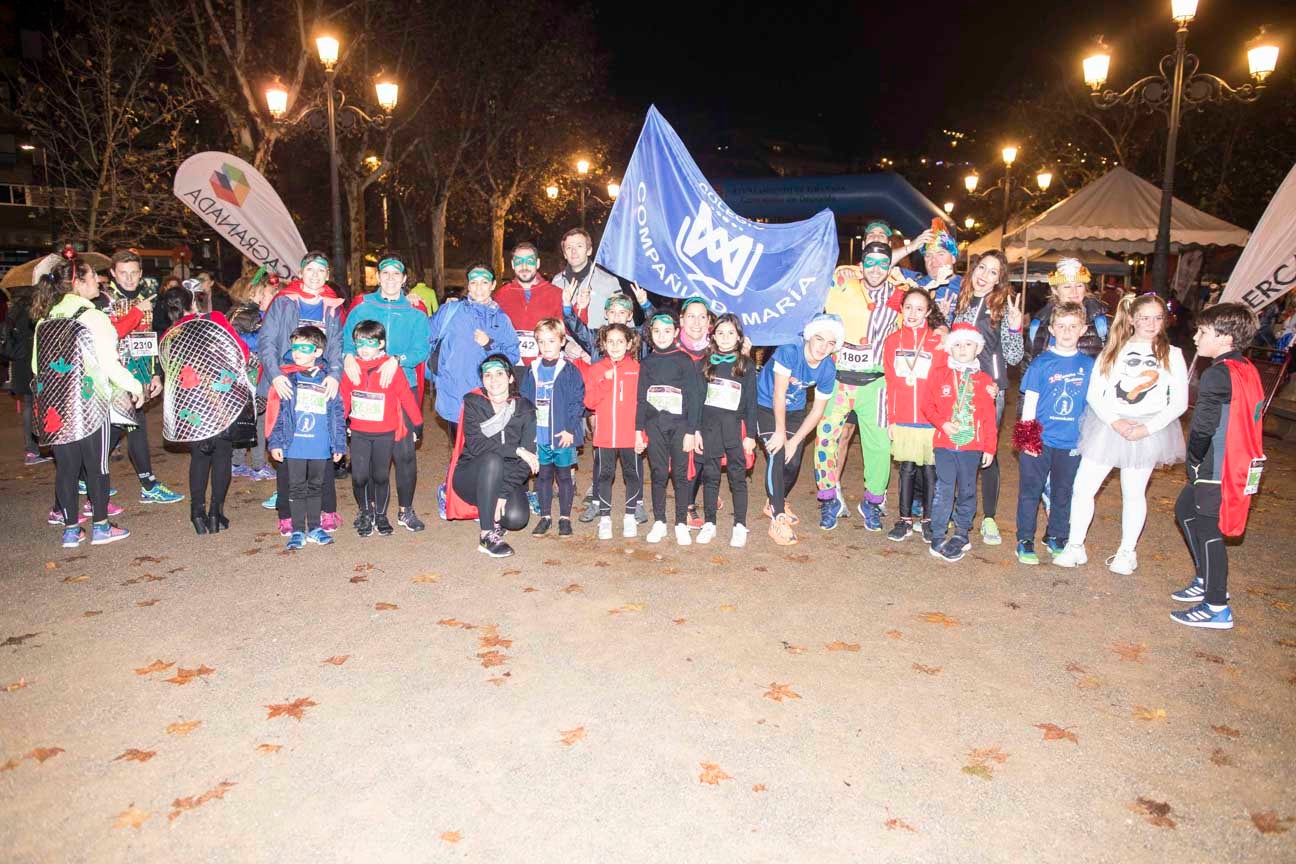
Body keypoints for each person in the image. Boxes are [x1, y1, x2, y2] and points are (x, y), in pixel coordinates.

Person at [1053, 294, 1188, 574]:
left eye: (1157, 318)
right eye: (1145, 317)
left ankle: (1127, 551)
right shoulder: (1115, 350)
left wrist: (1146, 429)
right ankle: (1075, 545)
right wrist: (1115, 422)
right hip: (1108, 427)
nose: (1151, 324)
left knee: (1134, 491)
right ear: (1132, 319)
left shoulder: (1172, 354)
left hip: (1147, 430)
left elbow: (1178, 402)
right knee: (1083, 487)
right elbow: (1095, 392)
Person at [31, 252, 143, 547]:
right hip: (91, 404)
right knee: (97, 467)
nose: (99, 280)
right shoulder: (93, 317)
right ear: (77, 282)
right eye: (93, 276)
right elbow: (110, 364)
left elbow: (35, 366)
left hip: (56, 406)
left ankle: (70, 530)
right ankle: (102, 527)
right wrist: (135, 386)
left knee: (66, 469)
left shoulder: (46, 319)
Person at [1170, 304, 1266, 629]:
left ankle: (1216, 606)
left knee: (1210, 530)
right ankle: (1205, 578)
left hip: (1218, 465)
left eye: (1203, 332)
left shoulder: (1217, 374)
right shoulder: (1245, 368)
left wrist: (1194, 460)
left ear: (1224, 337)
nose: (1196, 337)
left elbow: (1203, 426)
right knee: (1185, 509)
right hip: (1234, 460)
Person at [814, 240, 904, 531]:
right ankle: (828, 500)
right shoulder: (840, 289)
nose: (876, 269)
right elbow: (810, 294)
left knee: (878, 446)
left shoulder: (899, 297)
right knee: (825, 439)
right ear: (861, 264)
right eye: (870, 262)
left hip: (875, 385)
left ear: (890, 267)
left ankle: (872, 503)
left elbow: (923, 319)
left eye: (883, 263)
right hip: (838, 381)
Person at [342, 254, 431, 532]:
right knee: (365, 458)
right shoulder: (362, 307)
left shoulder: (416, 312)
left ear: (405, 279)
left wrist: (397, 359)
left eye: (397, 274)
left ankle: (405, 509)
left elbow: (422, 349)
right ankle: (366, 510)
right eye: (386, 273)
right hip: (365, 388)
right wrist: (347, 358)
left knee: (404, 454)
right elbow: (346, 341)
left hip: (401, 385)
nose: (391, 279)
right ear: (378, 277)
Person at [259, 252, 346, 535]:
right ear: (301, 272)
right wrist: (276, 376)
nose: (315, 275)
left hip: (318, 382)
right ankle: (287, 513)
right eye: (310, 269)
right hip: (287, 380)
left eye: (321, 270)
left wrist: (334, 375)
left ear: (327, 274)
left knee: (322, 446)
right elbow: (268, 341)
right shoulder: (284, 301)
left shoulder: (332, 305)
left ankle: (326, 511)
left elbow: (336, 345)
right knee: (287, 445)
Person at [158, 285, 252, 535]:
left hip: (192, 405)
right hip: (220, 401)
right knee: (222, 455)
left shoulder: (171, 333)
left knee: (199, 458)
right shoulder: (216, 320)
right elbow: (240, 352)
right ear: (195, 303)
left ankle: (196, 512)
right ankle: (215, 513)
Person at [949, 250, 1025, 546]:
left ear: (1000, 281)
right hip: (956, 386)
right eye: (982, 268)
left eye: (993, 272)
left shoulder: (1003, 309)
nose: (985, 275)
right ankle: (958, 509)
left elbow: (1015, 356)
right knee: (956, 444)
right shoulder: (960, 300)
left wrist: (1017, 326)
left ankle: (989, 518)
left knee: (985, 450)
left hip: (989, 389)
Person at [100, 249, 186, 506]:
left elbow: (151, 340)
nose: (128, 279)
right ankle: (88, 472)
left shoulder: (146, 298)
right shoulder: (103, 300)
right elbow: (110, 336)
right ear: (113, 273)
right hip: (113, 375)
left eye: (133, 273)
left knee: (130, 425)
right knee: (125, 425)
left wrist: (156, 374)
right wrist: (136, 312)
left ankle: (90, 471)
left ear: (140, 273)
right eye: (123, 273)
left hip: (140, 376)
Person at [564, 286, 655, 526]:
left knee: (632, 461)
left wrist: (645, 304)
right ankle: (597, 501)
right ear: (605, 315)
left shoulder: (639, 338)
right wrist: (570, 307)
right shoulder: (597, 339)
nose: (617, 316)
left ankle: (636, 504)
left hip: (630, 409)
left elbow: (653, 326)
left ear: (629, 315)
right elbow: (575, 328)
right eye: (612, 311)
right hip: (602, 405)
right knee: (601, 459)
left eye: (622, 311)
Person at [1012, 302, 1094, 564]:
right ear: (1051, 329)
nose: (1067, 331)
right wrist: (1027, 439)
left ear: (1083, 330)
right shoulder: (1041, 363)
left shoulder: (1089, 365)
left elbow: (1093, 404)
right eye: (1061, 326)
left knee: (1064, 491)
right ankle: (1025, 539)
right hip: (1041, 439)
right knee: (1030, 491)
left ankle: (1057, 535)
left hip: (1072, 440)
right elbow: (1030, 402)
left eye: (1073, 326)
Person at [755, 313, 842, 546]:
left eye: (831, 343)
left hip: (795, 409)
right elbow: (778, 394)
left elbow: (817, 411)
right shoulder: (790, 350)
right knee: (778, 451)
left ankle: (775, 500)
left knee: (793, 460)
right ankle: (777, 517)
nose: (823, 347)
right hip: (764, 403)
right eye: (820, 339)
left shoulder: (828, 369)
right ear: (810, 336)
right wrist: (781, 432)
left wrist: (795, 440)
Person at [447, 355, 538, 557]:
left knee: (516, 518)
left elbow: (528, 460)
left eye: (499, 374)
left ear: (510, 378)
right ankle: (487, 534)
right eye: (487, 375)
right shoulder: (473, 403)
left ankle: (489, 504)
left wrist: (504, 493)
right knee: (492, 459)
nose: (493, 380)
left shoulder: (525, 408)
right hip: (471, 475)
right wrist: (516, 450)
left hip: (507, 476)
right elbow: (478, 445)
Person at [341, 319, 424, 538]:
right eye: (359, 344)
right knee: (359, 476)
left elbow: (406, 396)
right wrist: (338, 426)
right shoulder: (352, 368)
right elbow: (343, 399)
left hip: (385, 433)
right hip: (359, 432)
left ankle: (380, 515)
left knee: (380, 476)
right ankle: (364, 511)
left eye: (370, 343)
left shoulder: (391, 368)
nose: (364, 349)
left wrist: (417, 423)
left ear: (381, 344)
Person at [922, 323, 998, 563]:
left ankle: (962, 533)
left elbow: (988, 417)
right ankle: (937, 533)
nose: (962, 349)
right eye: (956, 344)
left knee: (967, 490)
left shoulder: (984, 380)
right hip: (944, 443)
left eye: (968, 344)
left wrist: (989, 447)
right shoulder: (938, 373)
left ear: (977, 348)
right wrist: (942, 424)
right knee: (944, 488)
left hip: (972, 447)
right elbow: (927, 405)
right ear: (948, 348)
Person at [266, 325, 347, 550]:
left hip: (319, 445)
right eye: (294, 348)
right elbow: (277, 414)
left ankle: (315, 527)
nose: (298, 352)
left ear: (318, 352)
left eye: (304, 347)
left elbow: (337, 414)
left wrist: (338, 443)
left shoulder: (328, 380)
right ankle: (297, 530)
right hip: (295, 446)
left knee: (316, 487)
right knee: (296, 488)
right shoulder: (287, 380)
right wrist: (275, 442)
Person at [882, 287, 947, 543]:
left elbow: (944, 382)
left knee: (931, 470)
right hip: (904, 418)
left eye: (920, 309)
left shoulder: (938, 342)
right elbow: (889, 382)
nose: (913, 313)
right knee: (906, 469)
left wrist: (942, 420)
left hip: (930, 419)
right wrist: (891, 418)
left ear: (929, 312)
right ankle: (904, 519)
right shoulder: (892, 341)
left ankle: (928, 520)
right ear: (901, 309)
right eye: (908, 307)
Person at [429, 263, 521, 443]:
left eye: (484, 282)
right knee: (460, 451)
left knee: (485, 452)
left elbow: (512, 356)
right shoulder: (450, 311)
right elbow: (425, 336)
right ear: (468, 285)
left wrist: (489, 345)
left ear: (493, 285)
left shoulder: (501, 319)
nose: (479, 288)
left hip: (488, 397)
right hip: (454, 395)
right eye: (474, 283)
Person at [635, 309, 704, 546]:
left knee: (681, 476)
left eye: (667, 331)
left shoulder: (684, 360)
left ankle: (681, 524)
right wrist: (638, 431)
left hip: (680, 426)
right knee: (658, 474)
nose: (662, 336)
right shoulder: (647, 362)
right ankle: (660, 522)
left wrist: (691, 431)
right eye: (656, 331)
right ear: (649, 334)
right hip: (655, 426)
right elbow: (641, 399)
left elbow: (694, 397)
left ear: (676, 332)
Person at [519, 318, 586, 536]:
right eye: (541, 342)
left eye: (551, 341)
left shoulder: (569, 370)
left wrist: (569, 429)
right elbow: (525, 401)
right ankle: (545, 516)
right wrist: (527, 434)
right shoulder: (532, 370)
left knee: (564, 476)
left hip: (561, 434)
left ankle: (565, 518)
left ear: (562, 341)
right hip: (541, 435)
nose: (546, 346)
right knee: (543, 477)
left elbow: (577, 402)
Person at [695, 313, 756, 547]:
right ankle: (710, 522)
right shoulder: (704, 363)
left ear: (739, 337)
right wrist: (697, 430)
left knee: (737, 477)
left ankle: (739, 524)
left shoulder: (746, 365)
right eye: (720, 332)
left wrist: (751, 435)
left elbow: (751, 403)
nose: (725, 337)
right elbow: (698, 400)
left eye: (731, 333)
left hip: (735, 429)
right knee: (710, 476)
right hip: (710, 428)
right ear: (713, 335)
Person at [583, 323, 643, 540]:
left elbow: (643, 404)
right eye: (610, 341)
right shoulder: (596, 369)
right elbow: (589, 401)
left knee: (632, 474)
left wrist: (641, 434)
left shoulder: (636, 369)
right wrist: (605, 382)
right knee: (604, 475)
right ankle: (605, 518)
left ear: (628, 343)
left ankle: (629, 516)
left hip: (630, 434)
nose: (615, 346)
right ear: (603, 344)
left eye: (620, 341)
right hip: (606, 435)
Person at [495, 241, 563, 375]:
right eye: (519, 261)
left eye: (529, 261)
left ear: (537, 263)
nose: (524, 266)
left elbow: (568, 330)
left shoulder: (556, 294)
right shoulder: (501, 295)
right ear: (513, 265)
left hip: (546, 368)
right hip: (512, 368)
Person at [1026, 258, 1109, 361]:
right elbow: (1028, 364)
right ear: (1055, 290)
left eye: (1079, 285)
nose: (1074, 292)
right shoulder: (1039, 323)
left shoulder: (1102, 323)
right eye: (1067, 287)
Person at [2, 285, 49, 465]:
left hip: (20, 360)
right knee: (39, 404)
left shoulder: (14, 309)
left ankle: (32, 449)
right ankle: (37, 447)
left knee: (29, 404)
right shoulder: (34, 308)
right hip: (34, 359)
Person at [227, 303, 274, 480]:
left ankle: (236, 463)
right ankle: (258, 465)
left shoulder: (235, 314)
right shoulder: (254, 319)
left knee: (242, 422)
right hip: (255, 380)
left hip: (241, 383)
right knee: (258, 424)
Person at [551, 227, 624, 330]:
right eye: (569, 247)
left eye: (579, 246)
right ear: (564, 255)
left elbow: (624, 322)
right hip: (566, 344)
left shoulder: (609, 282)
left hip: (598, 343)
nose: (574, 251)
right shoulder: (556, 282)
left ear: (589, 250)